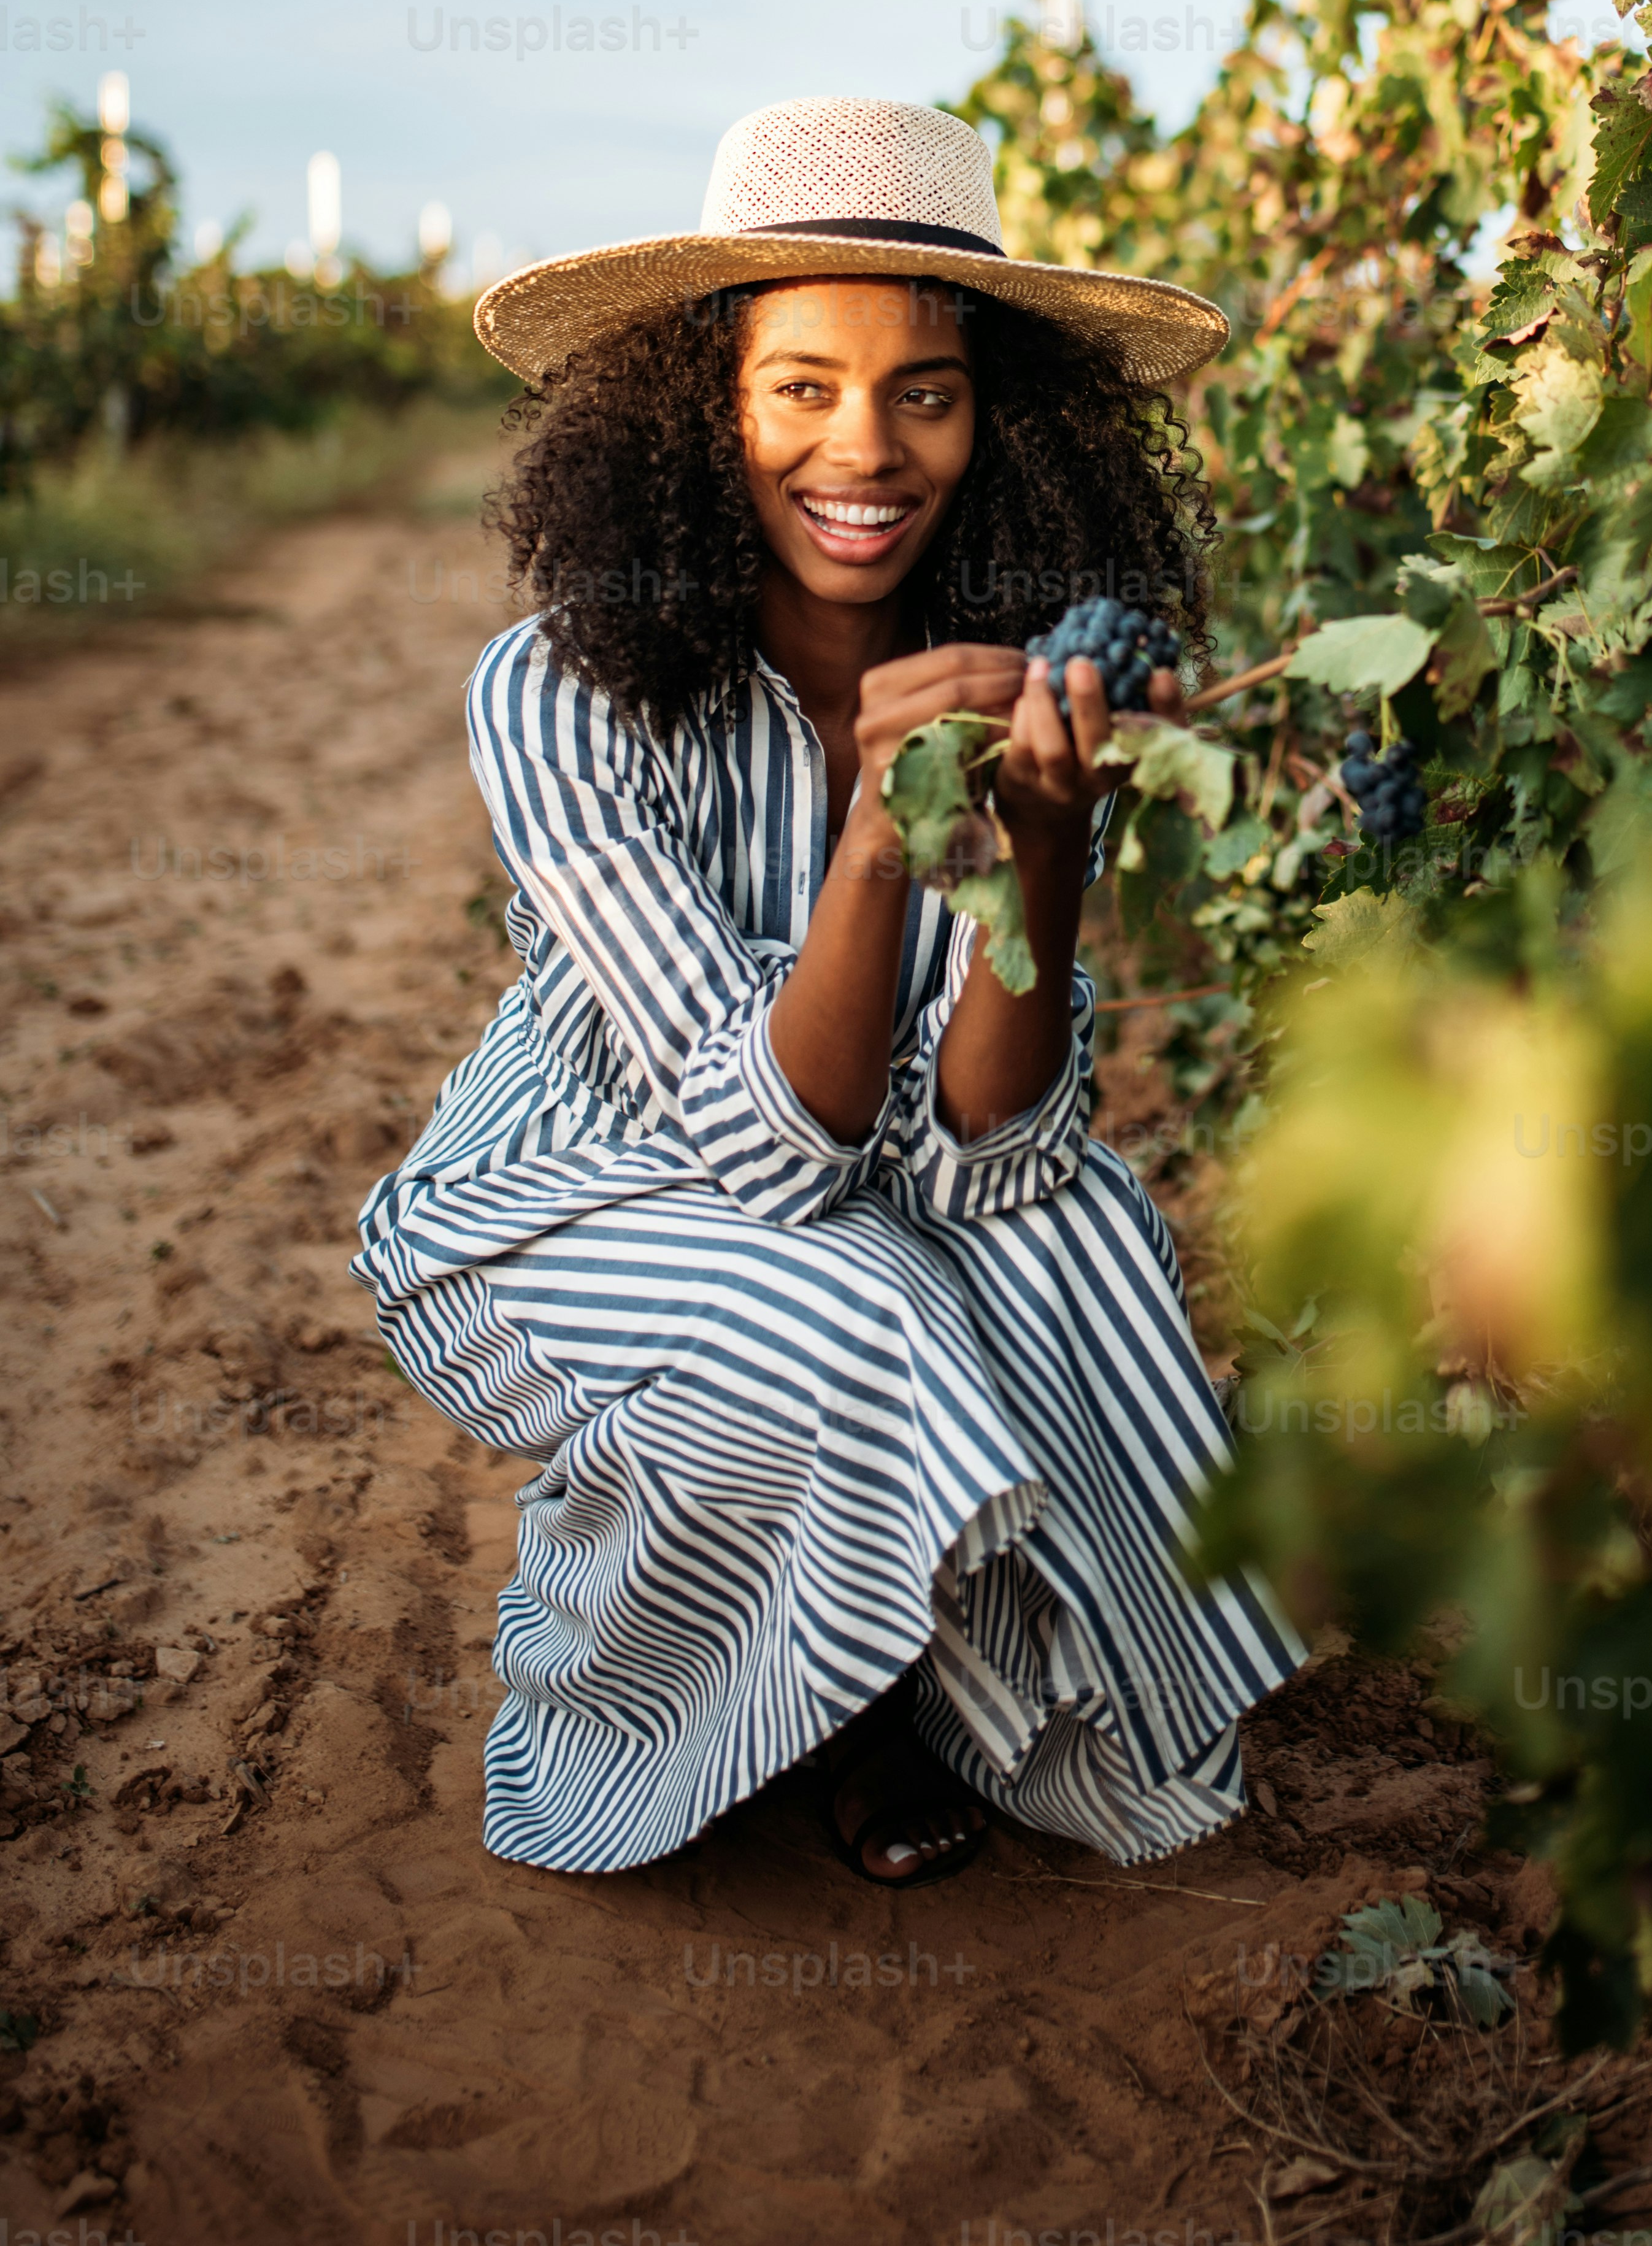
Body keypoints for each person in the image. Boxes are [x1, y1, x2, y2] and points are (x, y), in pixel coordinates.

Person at [353, 98, 1304, 1882]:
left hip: (855, 1184)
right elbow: (777, 1160)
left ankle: (910, 1652)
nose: (863, 445)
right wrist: (882, 827)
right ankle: (644, 1701)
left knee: (1067, 1241)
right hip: (554, 1211)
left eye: (923, 393)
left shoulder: (1030, 676)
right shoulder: (561, 689)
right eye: (800, 385)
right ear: (704, 409)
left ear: (996, 420)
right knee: (852, 1299)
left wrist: (1033, 838)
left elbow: (984, 1149)